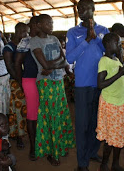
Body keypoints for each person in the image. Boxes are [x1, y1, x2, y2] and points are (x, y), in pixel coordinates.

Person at [66, 0, 109, 171]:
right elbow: (70, 57)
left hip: (100, 83)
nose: (81, 11)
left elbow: (108, 52)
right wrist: (86, 40)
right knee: (82, 124)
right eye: (78, 9)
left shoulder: (103, 30)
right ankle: (82, 163)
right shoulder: (72, 32)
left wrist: (95, 37)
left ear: (93, 9)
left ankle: (92, 152)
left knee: (95, 123)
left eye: (84, 8)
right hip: (82, 85)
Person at [30, 14, 75, 166]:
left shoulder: (55, 39)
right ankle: (51, 152)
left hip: (58, 81)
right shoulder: (35, 41)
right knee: (51, 117)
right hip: (45, 83)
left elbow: (64, 59)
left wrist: (52, 65)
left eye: (52, 22)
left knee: (61, 114)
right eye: (48, 22)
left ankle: (61, 145)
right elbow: (46, 65)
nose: (51, 25)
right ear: (39, 24)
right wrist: (54, 64)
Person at [96, 33, 124, 171]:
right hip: (110, 104)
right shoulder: (104, 61)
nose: (119, 45)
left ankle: (115, 164)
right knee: (110, 139)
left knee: (119, 135)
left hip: (120, 103)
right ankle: (104, 164)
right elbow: (100, 84)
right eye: (117, 43)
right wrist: (120, 74)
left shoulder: (116, 59)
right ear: (108, 44)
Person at [14, 18, 39, 161]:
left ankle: (42, 143)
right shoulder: (26, 41)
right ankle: (33, 147)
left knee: (42, 113)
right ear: (34, 25)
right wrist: (20, 82)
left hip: (44, 81)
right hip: (30, 80)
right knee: (31, 115)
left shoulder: (44, 39)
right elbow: (17, 64)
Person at [3, 22, 29, 150]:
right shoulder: (9, 48)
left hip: (22, 80)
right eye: (26, 32)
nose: (27, 35)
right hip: (15, 82)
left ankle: (19, 132)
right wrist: (20, 83)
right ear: (19, 31)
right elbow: (10, 67)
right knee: (17, 110)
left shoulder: (21, 45)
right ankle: (19, 136)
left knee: (23, 109)